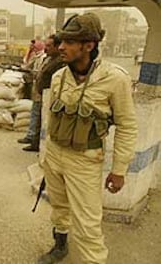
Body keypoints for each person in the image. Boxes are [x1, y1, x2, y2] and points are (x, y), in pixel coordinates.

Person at [38, 13, 138, 264]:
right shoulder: (59, 76)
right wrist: (45, 157)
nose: (61, 47)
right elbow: (51, 119)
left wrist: (119, 169)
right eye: (61, 41)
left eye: (69, 42)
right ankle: (60, 245)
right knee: (59, 207)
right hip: (54, 154)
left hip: (84, 161)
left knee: (87, 225)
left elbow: (126, 125)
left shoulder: (115, 78)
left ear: (89, 45)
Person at [21, 34, 65, 152]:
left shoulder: (59, 62)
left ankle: (38, 144)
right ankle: (36, 142)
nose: (46, 48)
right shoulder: (48, 59)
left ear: (57, 47)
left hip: (49, 97)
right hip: (41, 94)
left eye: (49, 46)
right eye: (45, 45)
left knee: (43, 121)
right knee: (38, 119)